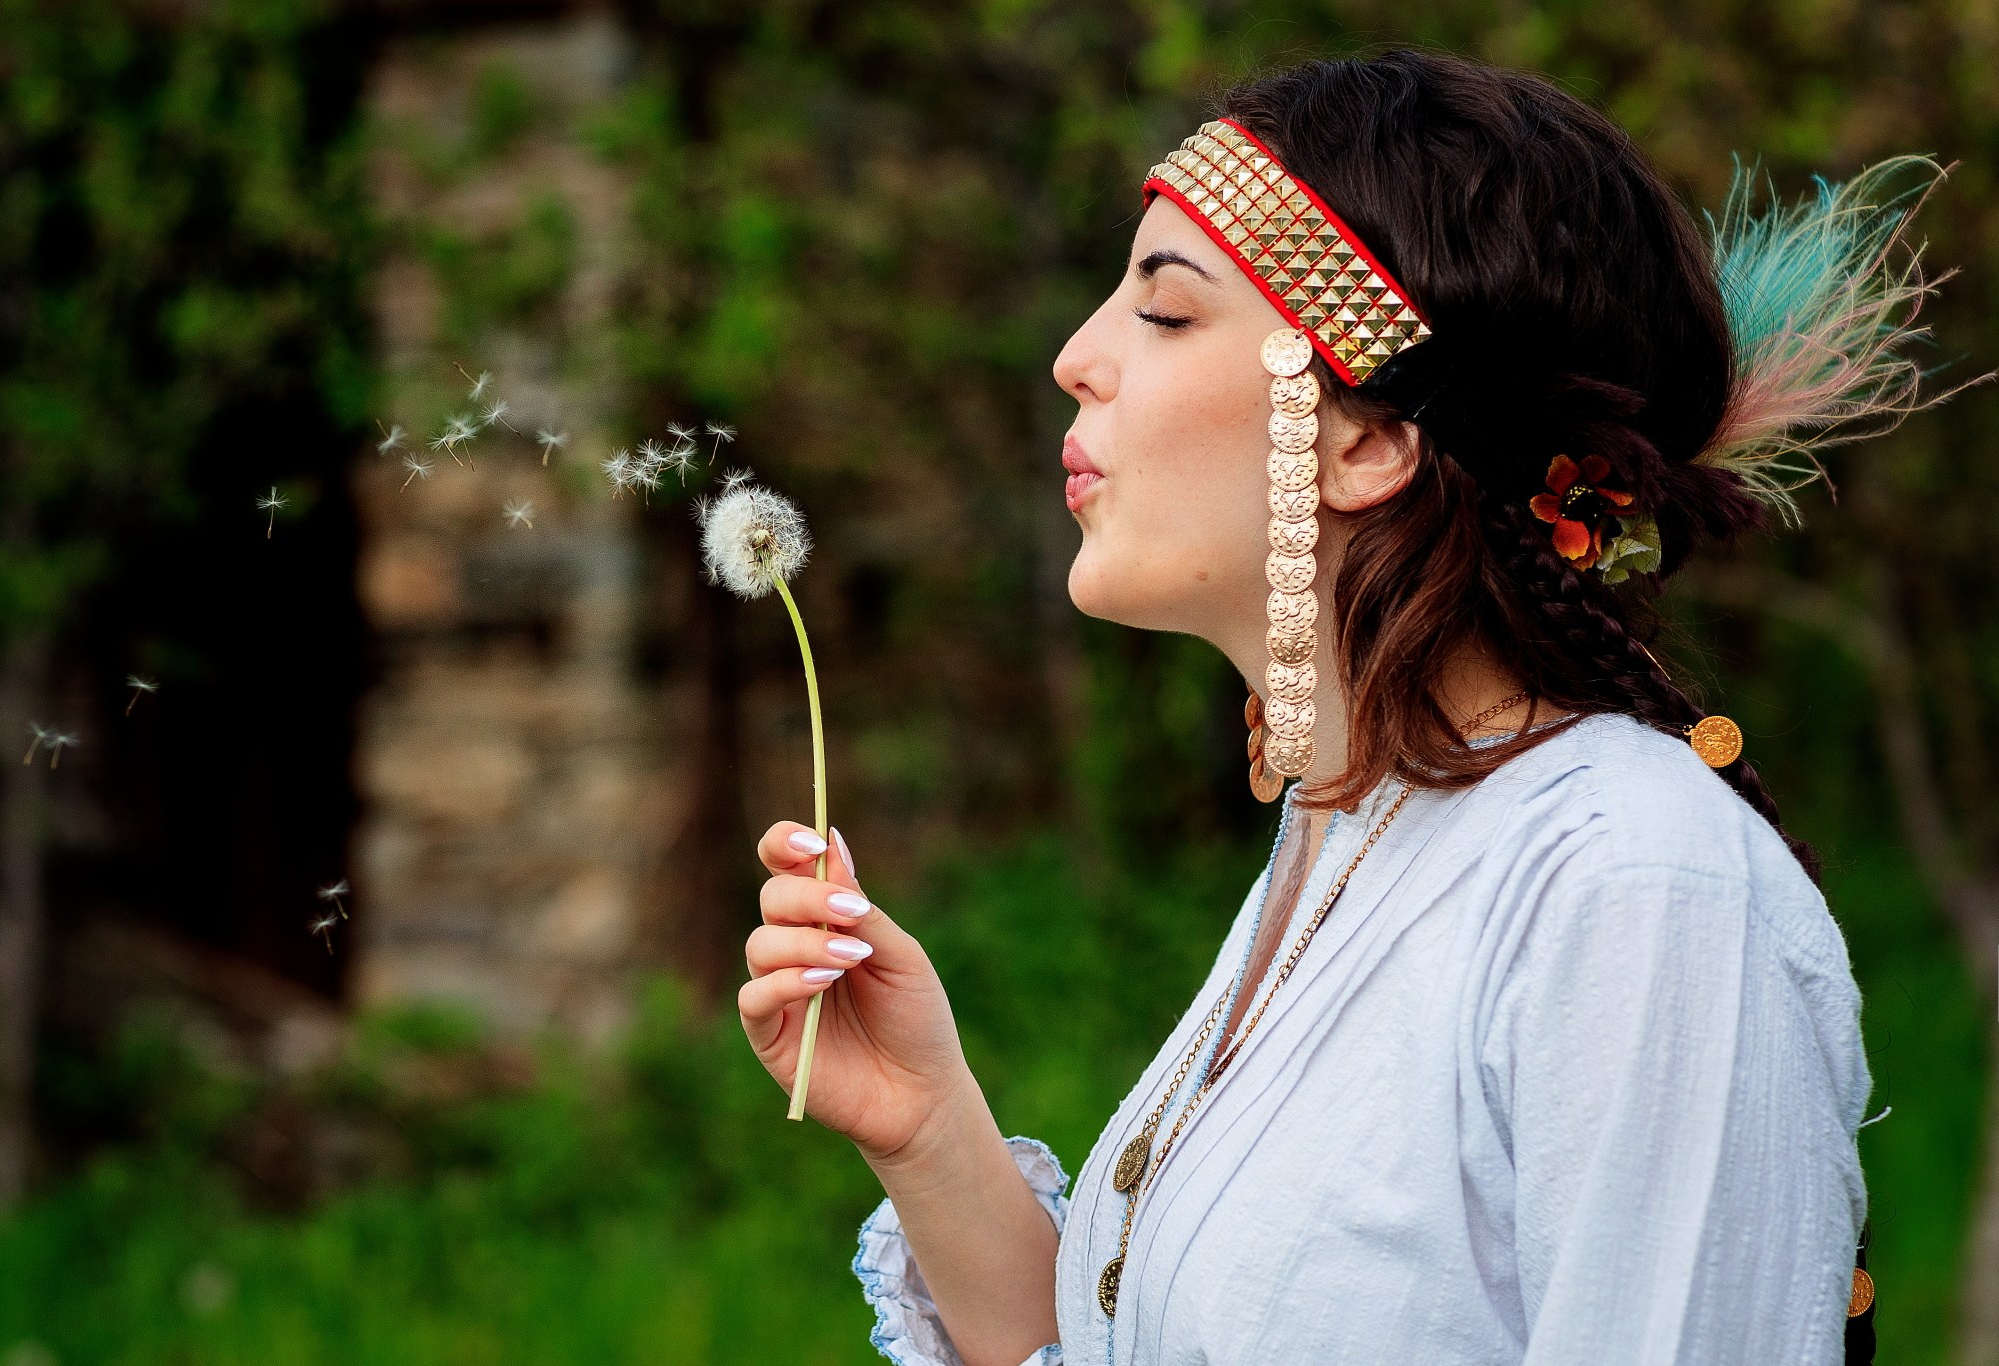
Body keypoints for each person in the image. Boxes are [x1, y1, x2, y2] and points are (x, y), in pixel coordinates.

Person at [736, 47, 1955, 1365]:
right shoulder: (1351, 837)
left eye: (1167, 309)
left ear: (1369, 436)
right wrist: (928, 1128)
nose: (1076, 358)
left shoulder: (1632, 883)